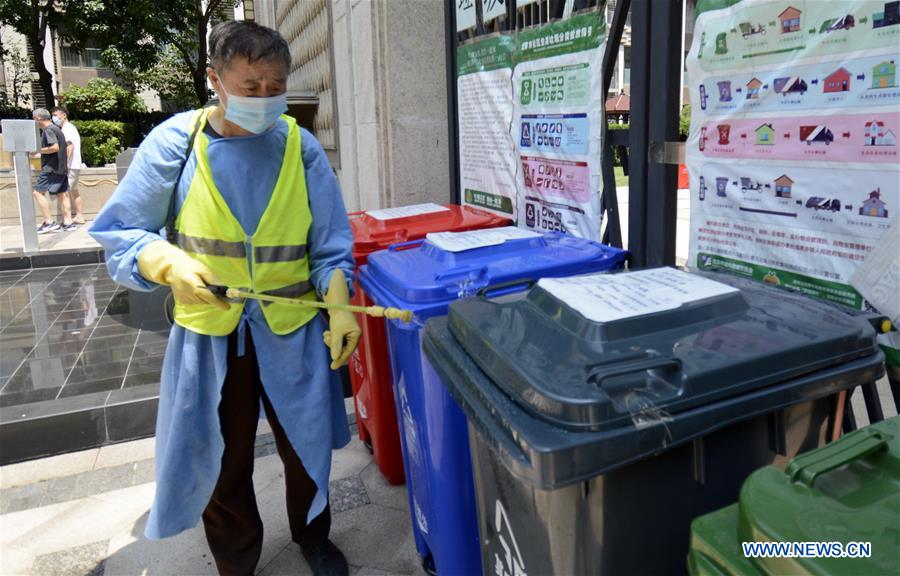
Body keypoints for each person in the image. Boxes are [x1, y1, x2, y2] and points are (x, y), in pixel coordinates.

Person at [89, 21, 359, 576]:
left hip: (294, 325)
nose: (264, 98)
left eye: (275, 86)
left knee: (305, 443)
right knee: (222, 453)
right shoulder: (176, 143)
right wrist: (165, 262)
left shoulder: (298, 147)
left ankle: (314, 534)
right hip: (212, 331)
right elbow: (122, 233)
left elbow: (330, 245)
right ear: (215, 80)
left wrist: (339, 302)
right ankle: (236, 558)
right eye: (250, 86)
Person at [32, 108, 75, 233]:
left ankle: (49, 222)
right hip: (61, 167)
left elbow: (54, 147)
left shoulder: (48, 130)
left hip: (51, 168)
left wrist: (38, 150)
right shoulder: (57, 129)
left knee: (38, 192)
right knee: (62, 194)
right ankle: (68, 222)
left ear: (38, 118)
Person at [50, 106, 85, 224]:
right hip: (73, 165)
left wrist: (63, 164)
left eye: (56, 115)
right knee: (74, 191)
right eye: (53, 115)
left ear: (64, 115)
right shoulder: (68, 128)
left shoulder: (67, 129)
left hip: (70, 165)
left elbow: (70, 146)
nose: (54, 118)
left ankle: (67, 219)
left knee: (63, 192)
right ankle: (79, 216)